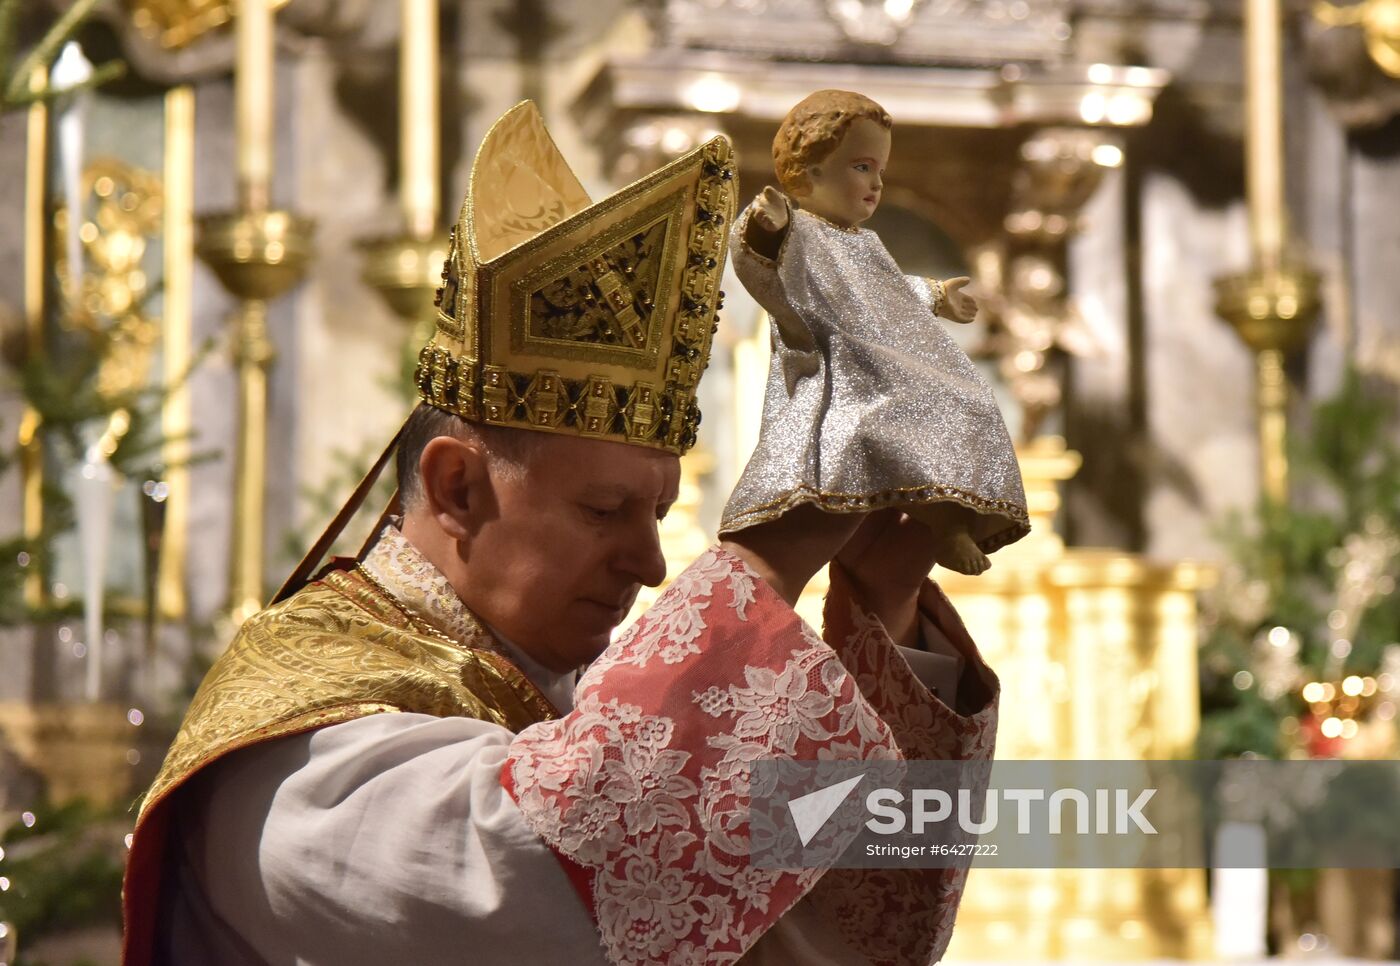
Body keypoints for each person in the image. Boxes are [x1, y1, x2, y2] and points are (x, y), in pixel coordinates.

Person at [120, 101, 1000, 966]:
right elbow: (555, 886)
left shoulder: (567, 701)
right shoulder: (301, 745)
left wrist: (881, 607)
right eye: (604, 510)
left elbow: (836, 936)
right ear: (457, 487)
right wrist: (769, 560)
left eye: (657, 515)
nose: (654, 564)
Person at [721, 90, 1030, 576]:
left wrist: (935, 296)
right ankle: (934, 514)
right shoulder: (796, 230)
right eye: (862, 167)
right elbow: (754, 259)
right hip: (834, 362)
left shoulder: (865, 242)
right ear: (812, 169)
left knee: (968, 395)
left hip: (879, 357)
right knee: (892, 401)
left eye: (880, 171)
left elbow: (886, 290)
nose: (876, 183)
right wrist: (766, 228)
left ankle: (948, 518)